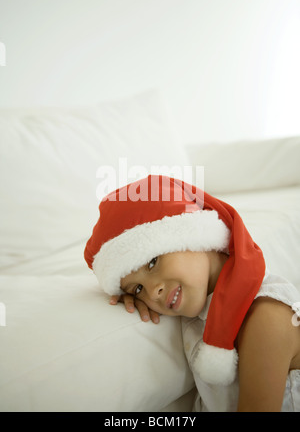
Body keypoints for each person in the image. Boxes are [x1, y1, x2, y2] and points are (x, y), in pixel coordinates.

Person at [84, 175, 300, 412]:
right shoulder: (195, 300)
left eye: (153, 262)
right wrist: (130, 297)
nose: (153, 292)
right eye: (138, 289)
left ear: (192, 236)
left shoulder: (267, 318)